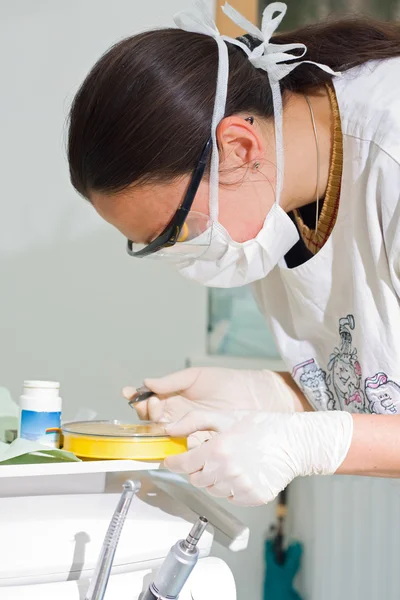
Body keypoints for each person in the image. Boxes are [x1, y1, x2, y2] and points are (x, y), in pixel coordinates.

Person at [67, 1, 400, 506]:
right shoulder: (275, 193)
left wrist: (309, 441)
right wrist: (272, 397)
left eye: (177, 230)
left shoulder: (389, 147)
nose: (188, 254)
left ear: (240, 149)